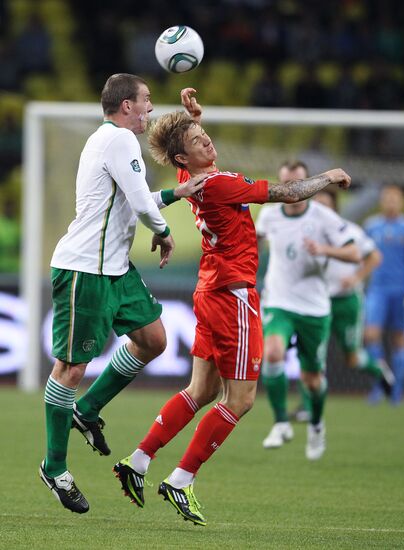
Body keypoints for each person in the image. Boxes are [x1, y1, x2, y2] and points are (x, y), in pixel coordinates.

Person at [112, 90, 351, 526]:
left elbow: (179, 148)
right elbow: (285, 191)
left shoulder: (192, 176)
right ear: (186, 155)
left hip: (209, 290)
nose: (209, 142)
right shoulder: (220, 183)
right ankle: (182, 479)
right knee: (239, 400)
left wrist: (190, 118)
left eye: (206, 135)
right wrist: (328, 177)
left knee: (201, 391)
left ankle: (139, 460)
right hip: (234, 295)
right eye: (200, 140)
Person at [39, 74, 206, 514]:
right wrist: (165, 232)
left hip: (113, 268)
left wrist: (174, 193)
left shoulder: (111, 141)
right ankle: (54, 467)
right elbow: (137, 201)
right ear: (127, 106)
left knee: (154, 339)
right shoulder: (118, 141)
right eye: (146, 100)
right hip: (84, 270)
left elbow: (134, 196)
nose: (150, 108)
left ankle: (87, 410)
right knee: (70, 369)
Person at [256, 161, 360, 460]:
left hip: (314, 308)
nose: (293, 191)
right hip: (279, 301)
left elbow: (354, 252)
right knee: (273, 353)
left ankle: (316, 425)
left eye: (299, 184)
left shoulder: (324, 217)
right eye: (287, 184)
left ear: (310, 184)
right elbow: (257, 241)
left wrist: (325, 250)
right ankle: (280, 423)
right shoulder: (270, 213)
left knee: (312, 380)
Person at [313, 190, 394, 393]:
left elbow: (374, 256)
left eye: (325, 205)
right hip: (316, 301)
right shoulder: (306, 232)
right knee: (313, 356)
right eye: (317, 205)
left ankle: (378, 369)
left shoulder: (350, 231)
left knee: (352, 357)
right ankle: (310, 406)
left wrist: (356, 277)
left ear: (334, 209)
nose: (320, 210)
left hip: (346, 301)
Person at [364, 185, 404, 404]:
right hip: (377, 289)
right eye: (387, 199)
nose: (391, 202)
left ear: (401, 202)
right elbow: (363, 256)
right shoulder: (371, 226)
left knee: (400, 339)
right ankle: (380, 386)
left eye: (395, 199)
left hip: (401, 289)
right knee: (371, 336)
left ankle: (397, 391)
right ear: (381, 202)